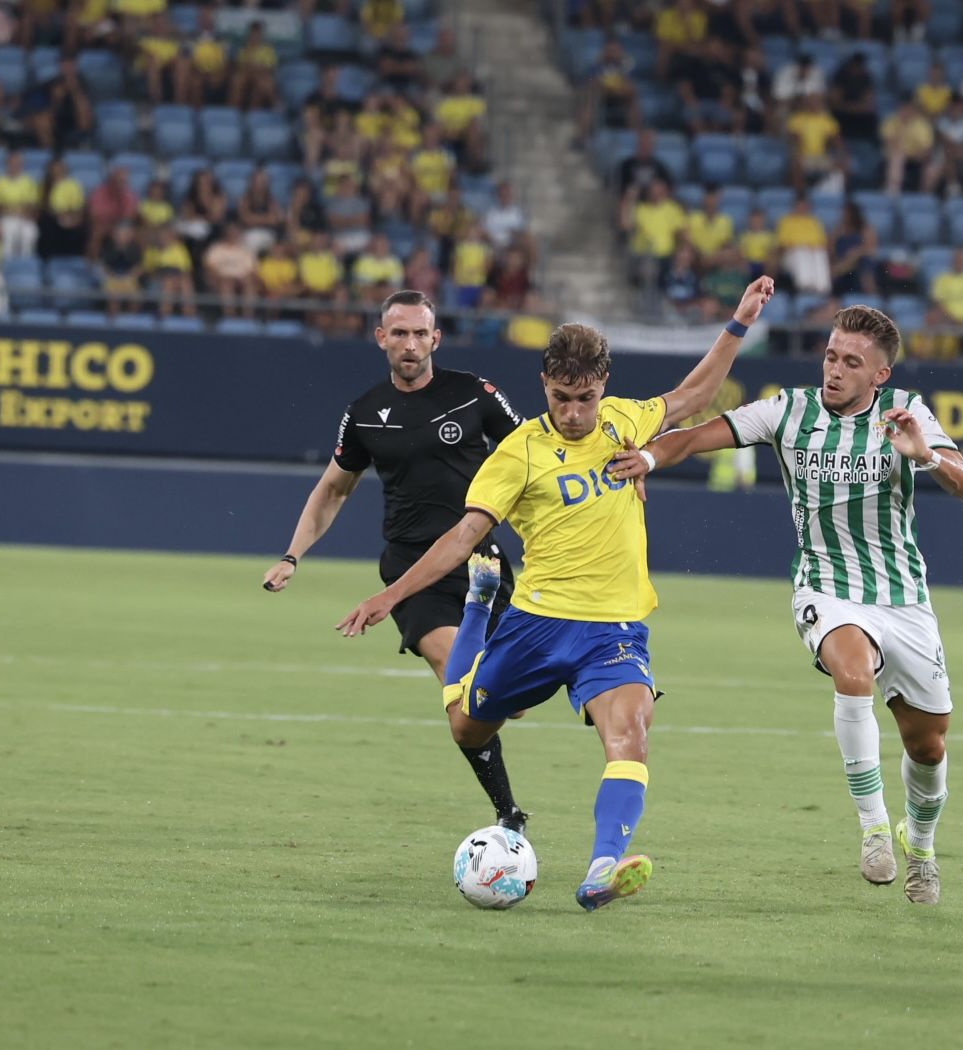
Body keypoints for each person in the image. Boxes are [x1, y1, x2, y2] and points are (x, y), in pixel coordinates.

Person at [336, 277, 777, 911]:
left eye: (587, 398)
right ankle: (477, 610)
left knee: (630, 734)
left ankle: (603, 867)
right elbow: (462, 538)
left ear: (604, 387)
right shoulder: (517, 454)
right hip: (535, 624)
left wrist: (738, 324)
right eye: (563, 398)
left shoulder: (625, 420)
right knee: (466, 726)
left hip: (614, 628)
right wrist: (389, 597)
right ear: (545, 387)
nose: (575, 413)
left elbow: (694, 394)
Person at [607, 305, 963, 906]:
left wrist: (925, 455)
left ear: (879, 376)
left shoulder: (906, 413)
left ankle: (924, 846)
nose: (834, 369)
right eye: (831, 355)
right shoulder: (789, 410)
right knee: (853, 671)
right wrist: (651, 457)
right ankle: (874, 832)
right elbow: (697, 437)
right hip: (825, 586)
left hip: (904, 597)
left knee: (928, 744)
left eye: (851, 362)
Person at [263, 290, 532, 832]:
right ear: (381, 338)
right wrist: (293, 555)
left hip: (482, 563)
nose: (410, 344)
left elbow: (534, 451)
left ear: (436, 338)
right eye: (399, 333)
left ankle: (507, 785)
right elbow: (332, 491)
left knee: (506, 700)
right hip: (413, 575)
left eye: (420, 334)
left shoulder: (473, 394)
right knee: (462, 686)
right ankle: (509, 814)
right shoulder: (363, 414)